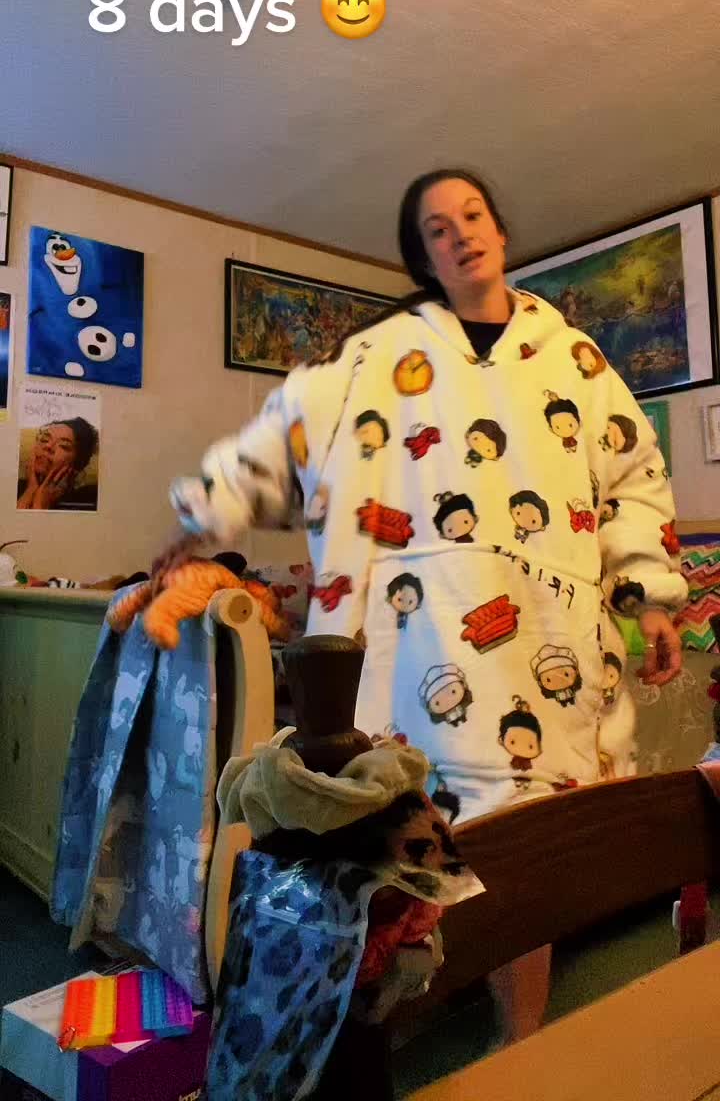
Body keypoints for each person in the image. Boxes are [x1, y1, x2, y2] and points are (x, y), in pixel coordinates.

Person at [161, 168, 686, 1037]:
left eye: (472, 215)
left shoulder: (577, 360)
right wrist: (204, 514)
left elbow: (634, 476)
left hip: (548, 637)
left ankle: (521, 1040)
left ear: (500, 230)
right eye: (438, 229)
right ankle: (393, 1025)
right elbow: (283, 431)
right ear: (425, 257)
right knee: (405, 831)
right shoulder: (375, 356)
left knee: (530, 837)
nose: (460, 234)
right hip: (413, 643)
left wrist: (651, 597)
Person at [17, 417, 99, 511]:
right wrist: (30, 491)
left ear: (78, 464)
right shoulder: (13, 487)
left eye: (63, 446)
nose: (48, 446)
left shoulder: (89, 499)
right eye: (44, 440)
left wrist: (40, 504)